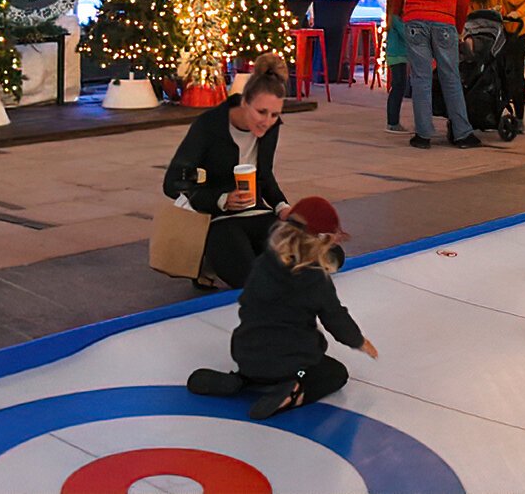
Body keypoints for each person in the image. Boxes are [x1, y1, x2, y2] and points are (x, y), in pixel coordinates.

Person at [185, 197, 380, 421]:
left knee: (269, 355)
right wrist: (358, 341)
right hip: (291, 367)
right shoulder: (314, 279)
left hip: (246, 357)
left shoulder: (263, 263)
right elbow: (335, 318)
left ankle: (243, 380)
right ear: (320, 242)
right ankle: (293, 390)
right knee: (334, 372)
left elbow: (248, 303)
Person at [163, 54, 301, 289]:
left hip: (257, 214)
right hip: (217, 219)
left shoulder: (270, 127)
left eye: (275, 115)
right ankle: (209, 260)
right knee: (252, 278)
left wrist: (281, 206)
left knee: (306, 262)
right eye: (261, 112)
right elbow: (173, 183)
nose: (267, 122)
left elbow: (264, 174)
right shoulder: (209, 125)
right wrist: (222, 199)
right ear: (244, 102)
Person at [390, 0, 482, 149]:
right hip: (444, 19)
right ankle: (462, 134)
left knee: (420, 79)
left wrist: (398, 12)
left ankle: (422, 135)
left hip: (415, 17)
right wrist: (458, 27)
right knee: (451, 77)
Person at [471, 0, 525, 130]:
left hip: (514, 36)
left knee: (514, 76)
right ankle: (489, 114)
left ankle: (519, 117)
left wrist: (517, 13)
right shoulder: (473, 0)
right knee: (490, 76)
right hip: (489, 39)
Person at [384, 13, 411, 133]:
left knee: (398, 86)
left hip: (397, 55)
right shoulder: (397, 19)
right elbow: (406, 34)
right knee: (398, 86)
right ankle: (393, 122)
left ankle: (393, 121)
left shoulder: (394, 18)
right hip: (397, 55)